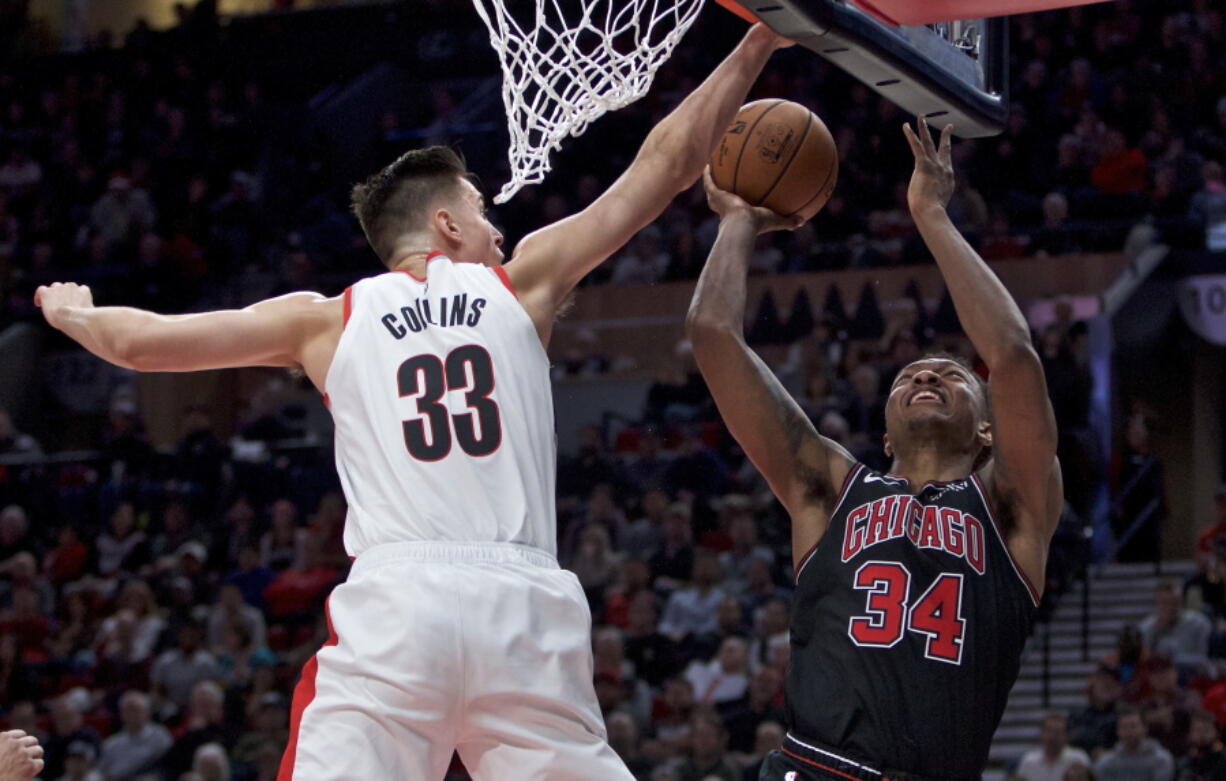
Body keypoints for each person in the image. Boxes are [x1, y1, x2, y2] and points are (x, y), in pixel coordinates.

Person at [35, 23, 790, 780]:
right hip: (523, 604)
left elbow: (143, 345)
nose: (499, 231)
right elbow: (664, 165)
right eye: (485, 213)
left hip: (400, 606)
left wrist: (75, 314)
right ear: (447, 223)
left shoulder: (324, 318)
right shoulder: (521, 282)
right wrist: (758, 42)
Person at [686, 119, 1061, 778]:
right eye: (908, 376)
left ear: (986, 429)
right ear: (884, 433)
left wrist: (931, 216)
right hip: (814, 766)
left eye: (949, 373)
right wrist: (739, 220)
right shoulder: (829, 486)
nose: (924, 375)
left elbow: (1013, 354)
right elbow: (712, 332)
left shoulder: (1013, 504)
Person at [1092, 707, 1174, 781]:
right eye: (1124, 727)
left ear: (1145, 728)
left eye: (1133, 726)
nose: (1129, 732)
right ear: (1118, 731)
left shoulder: (1161, 760)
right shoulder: (1106, 763)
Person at [1015, 713, 1091, 781]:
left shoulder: (1079, 758)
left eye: (1057, 732)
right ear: (1041, 733)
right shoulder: (1028, 761)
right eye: (1049, 731)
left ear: (1066, 735)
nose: (1052, 736)